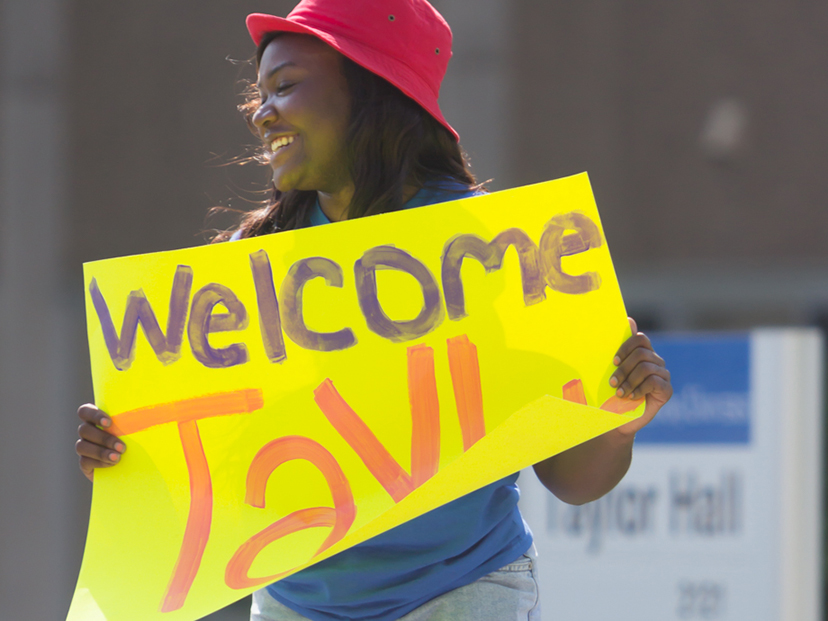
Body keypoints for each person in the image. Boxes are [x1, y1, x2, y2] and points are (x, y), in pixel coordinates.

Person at [75, 1, 673, 620]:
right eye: (259, 93)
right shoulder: (248, 269)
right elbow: (209, 477)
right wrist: (130, 459)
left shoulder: (494, 253)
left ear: (373, 90)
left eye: (284, 87)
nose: (261, 113)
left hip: (460, 593)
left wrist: (616, 425)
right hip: (295, 604)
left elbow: (572, 479)